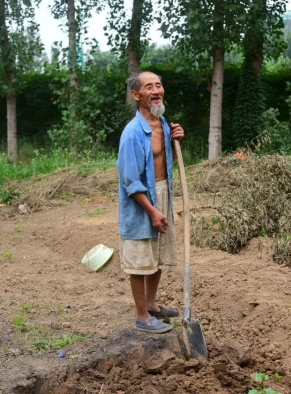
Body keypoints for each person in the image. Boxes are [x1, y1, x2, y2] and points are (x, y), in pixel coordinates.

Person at [117, 71, 185, 333]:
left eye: (159, 85)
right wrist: (153, 211)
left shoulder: (164, 123)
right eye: (149, 87)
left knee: (157, 254)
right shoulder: (132, 133)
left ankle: (152, 305)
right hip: (141, 200)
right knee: (140, 258)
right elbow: (130, 181)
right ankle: (142, 316)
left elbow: (168, 162)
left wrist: (177, 139)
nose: (156, 90)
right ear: (136, 95)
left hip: (163, 193)